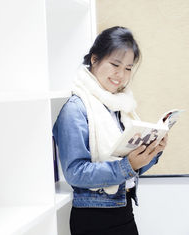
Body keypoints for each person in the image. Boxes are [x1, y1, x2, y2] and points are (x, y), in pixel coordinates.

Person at [53, 26, 168, 235]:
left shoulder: (119, 107)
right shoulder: (75, 108)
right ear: (94, 59)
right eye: (115, 64)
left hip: (123, 211)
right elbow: (75, 173)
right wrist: (128, 165)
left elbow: (130, 167)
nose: (121, 75)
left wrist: (152, 152)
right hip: (93, 219)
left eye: (128, 68)